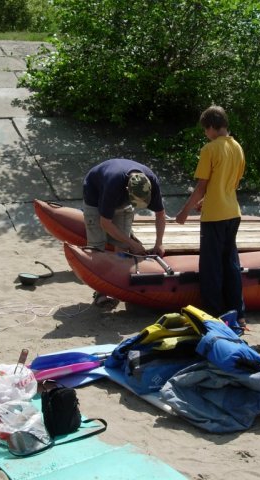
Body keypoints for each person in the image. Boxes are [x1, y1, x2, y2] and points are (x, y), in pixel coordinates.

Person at [175, 106, 246, 324]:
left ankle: (214, 313)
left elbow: (202, 186)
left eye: (205, 130)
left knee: (211, 266)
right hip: (233, 212)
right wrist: (206, 201)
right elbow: (230, 184)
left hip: (214, 217)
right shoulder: (237, 147)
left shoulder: (210, 149)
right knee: (231, 263)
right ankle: (237, 313)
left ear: (212, 127)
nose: (206, 134)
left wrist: (184, 212)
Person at [83, 158, 167, 306]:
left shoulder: (151, 181)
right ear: (128, 190)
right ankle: (100, 293)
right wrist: (133, 244)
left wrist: (159, 243)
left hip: (121, 200)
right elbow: (105, 223)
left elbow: (160, 214)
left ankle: (117, 287)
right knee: (96, 246)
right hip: (95, 195)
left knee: (121, 245)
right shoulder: (113, 184)